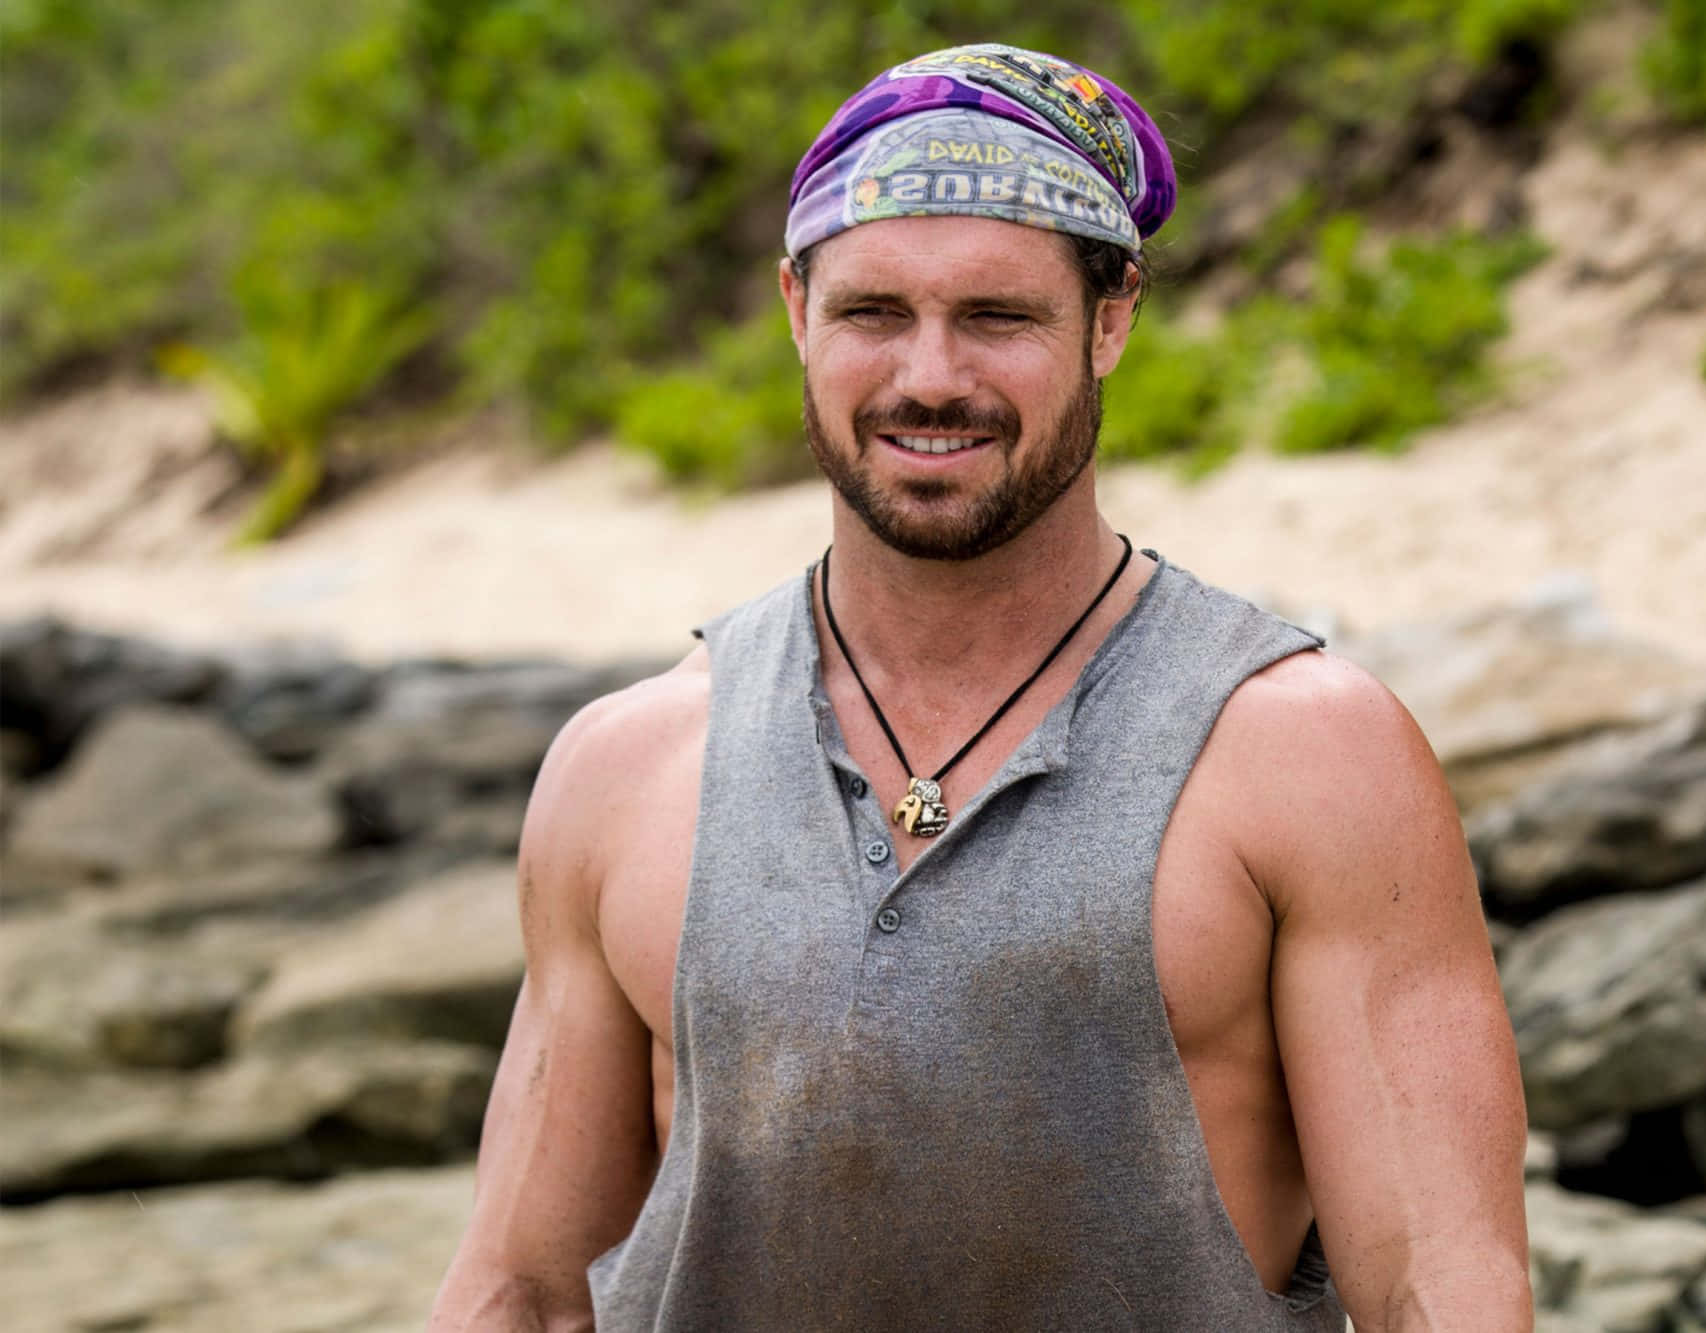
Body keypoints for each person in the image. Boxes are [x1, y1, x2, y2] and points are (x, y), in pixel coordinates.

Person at [431, 43, 1530, 1332]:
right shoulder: (628, 768)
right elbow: (519, 1292)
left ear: (1110, 320)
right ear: (795, 310)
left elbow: (1441, 1291)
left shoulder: (1307, 754)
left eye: (998, 318)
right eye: (873, 314)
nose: (930, 378)